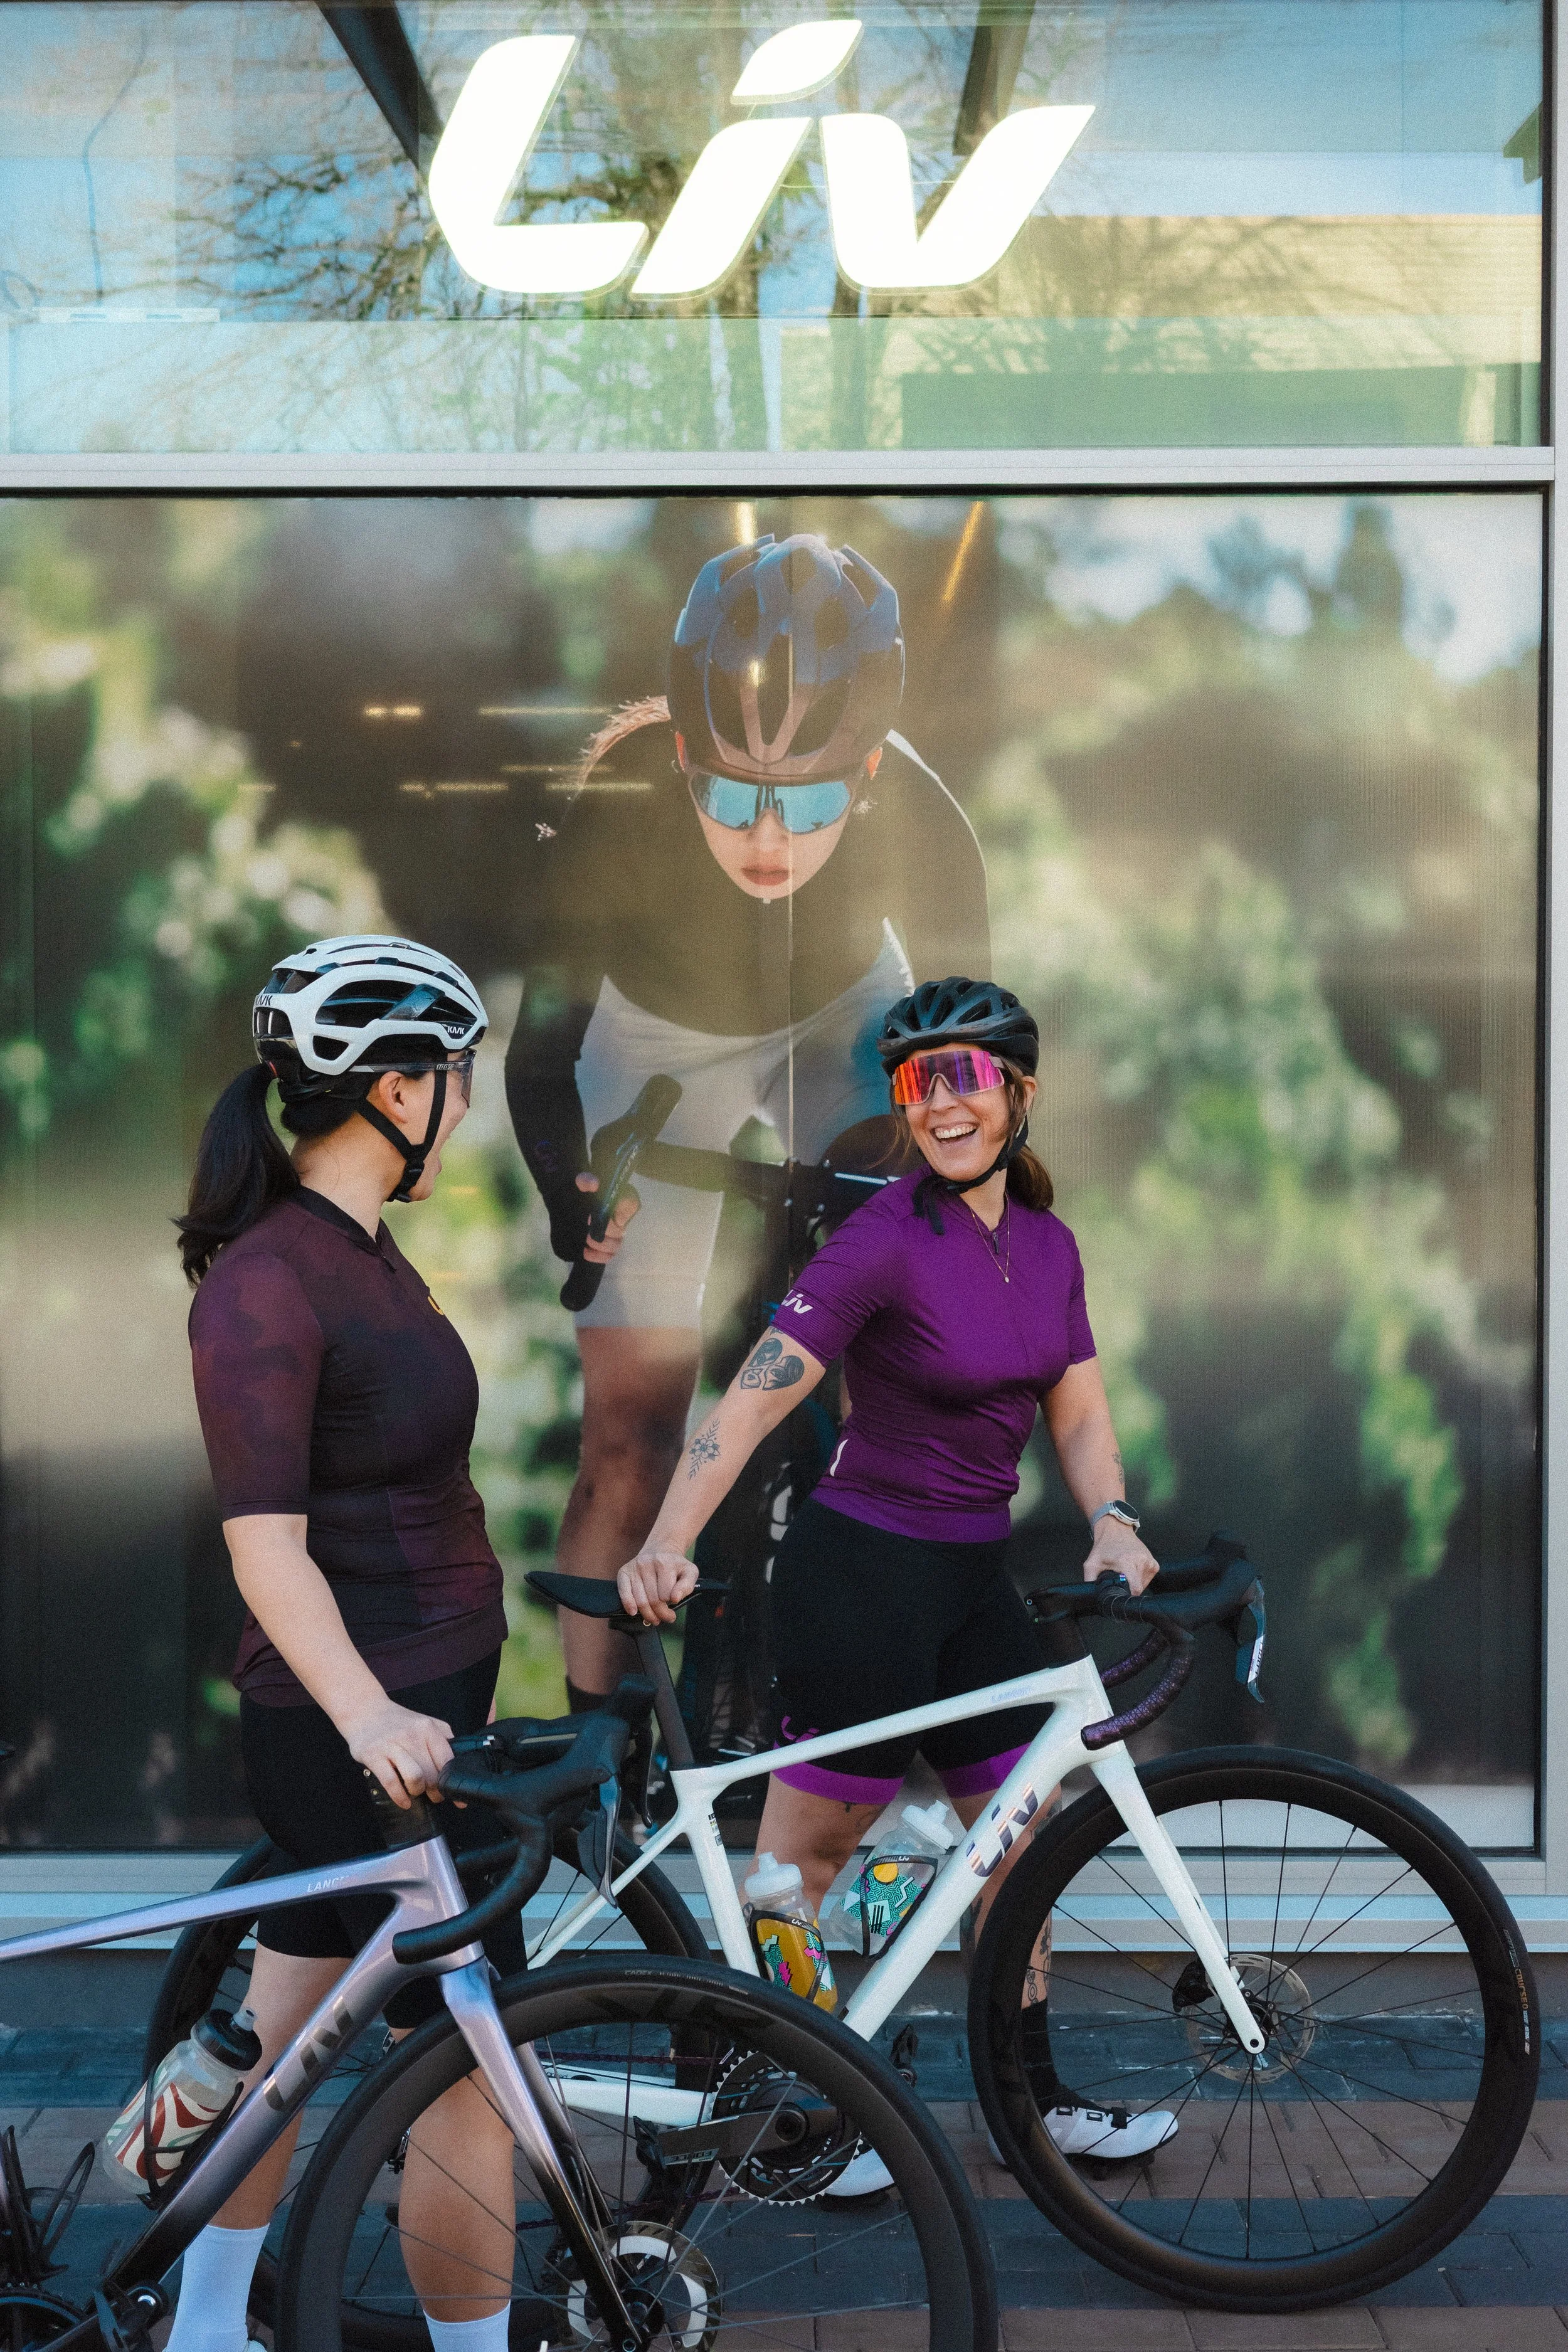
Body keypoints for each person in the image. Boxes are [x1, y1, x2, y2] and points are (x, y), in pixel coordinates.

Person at [616, 976, 1179, 2166]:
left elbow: (1079, 1409)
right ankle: (794, 2116)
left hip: (974, 1582)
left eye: (966, 1075)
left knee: (1017, 1846)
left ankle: (1030, 2107)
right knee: (796, 1871)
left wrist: (1112, 1517)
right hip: (862, 1577)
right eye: (919, 1081)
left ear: (1019, 1093)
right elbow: (752, 1400)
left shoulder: (1048, 1244)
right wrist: (668, 1537)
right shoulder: (879, 1242)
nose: (941, 1103)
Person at [506, 532, 992, 1713]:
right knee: (632, 1430)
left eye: (811, 800)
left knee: (910, 1340)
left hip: (842, 1012)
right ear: (682, 755)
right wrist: (578, 1194)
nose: (768, 839)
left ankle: (875, 1697)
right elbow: (539, 1056)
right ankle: (598, 1751)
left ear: (867, 773)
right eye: (730, 794)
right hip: (655, 1034)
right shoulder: (617, 814)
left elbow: (976, 1079)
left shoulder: (929, 826)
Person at [170, 935, 517, 2352]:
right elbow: (267, 1549)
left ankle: (197, 2328)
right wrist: (372, 1719)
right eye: (456, 1076)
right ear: (396, 1088)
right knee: (461, 2068)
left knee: (275, 2041)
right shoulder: (269, 1279)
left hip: (413, 1710)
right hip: (364, 1736)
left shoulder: (360, 1250)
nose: (465, 1102)